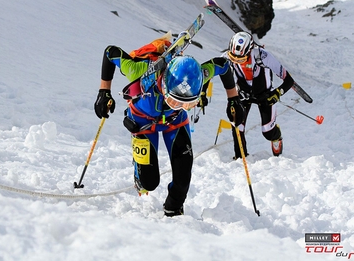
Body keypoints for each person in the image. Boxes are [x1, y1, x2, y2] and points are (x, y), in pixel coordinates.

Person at [94, 35, 244, 217]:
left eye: (188, 104)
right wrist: (104, 92)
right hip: (143, 122)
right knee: (148, 182)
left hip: (175, 123)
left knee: (183, 176)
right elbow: (110, 52)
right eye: (174, 101)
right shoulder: (138, 70)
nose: (180, 106)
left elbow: (223, 65)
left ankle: (173, 208)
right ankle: (140, 175)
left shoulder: (197, 76)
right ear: (164, 86)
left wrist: (233, 100)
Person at [223, 31, 294, 159]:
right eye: (234, 59)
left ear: (249, 51)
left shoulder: (263, 56)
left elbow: (289, 80)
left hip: (264, 96)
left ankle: (276, 137)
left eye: (241, 59)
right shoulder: (227, 57)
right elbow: (210, 70)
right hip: (244, 94)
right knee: (237, 126)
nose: (237, 62)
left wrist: (277, 93)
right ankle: (241, 157)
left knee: (267, 132)